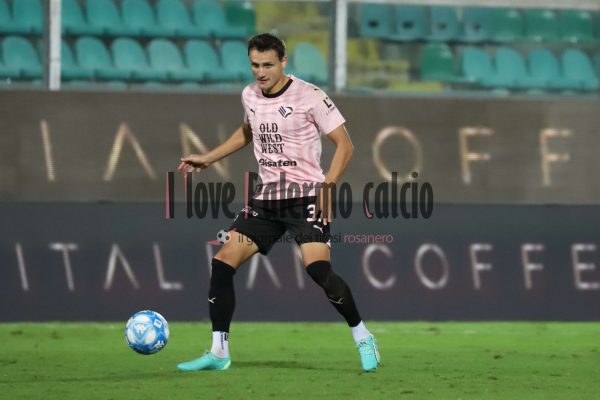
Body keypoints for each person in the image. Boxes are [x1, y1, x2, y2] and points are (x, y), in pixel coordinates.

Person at [176, 33, 380, 372]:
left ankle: (363, 335)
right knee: (222, 262)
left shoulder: (310, 95)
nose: (260, 72)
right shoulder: (250, 95)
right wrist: (208, 158)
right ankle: (219, 352)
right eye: (255, 65)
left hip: (306, 196)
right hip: (267, 200)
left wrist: (328, 186)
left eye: (268, 65)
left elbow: (345, 145)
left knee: (318, 270)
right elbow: (248, 130)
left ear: (283, 62)